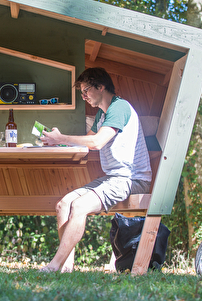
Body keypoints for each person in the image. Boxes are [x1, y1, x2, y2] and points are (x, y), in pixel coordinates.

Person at [40, 67, 151, 273]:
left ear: (101, 87)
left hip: (131, 179)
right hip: (114, 178)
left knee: (80, 206)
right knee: (63, 205)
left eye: (86, 91)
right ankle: (66, 267)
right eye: (81, 93)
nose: (83, 97)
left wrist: (62, 137)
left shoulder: (119, 107)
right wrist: (56, 143)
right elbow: (86, 143)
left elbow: (97, 142)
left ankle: (53, 266)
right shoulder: (102, 113)